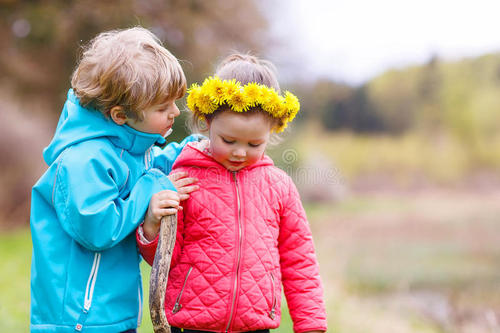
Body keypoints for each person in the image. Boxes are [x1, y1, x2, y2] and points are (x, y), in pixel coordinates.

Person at [138, 53, 327, 333]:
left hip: (255, 325)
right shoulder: (184, 180)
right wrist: (152, 225)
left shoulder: (280, 187)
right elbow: (164, 258)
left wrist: (311, 325)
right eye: (228, 140)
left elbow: (300, 260)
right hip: (191, 323)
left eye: (254, 144)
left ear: (272, 131)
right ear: (206, 124)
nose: (240, 152)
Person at [30, 27, 200, 332]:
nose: (176, 111)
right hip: (78, 319)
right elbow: (98, 226)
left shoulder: (128, 147)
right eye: (163, 107)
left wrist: (198, 147)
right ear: (120, 115)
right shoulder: (84, 159)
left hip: (110, 312)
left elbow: (151, 166)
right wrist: (154, 186)